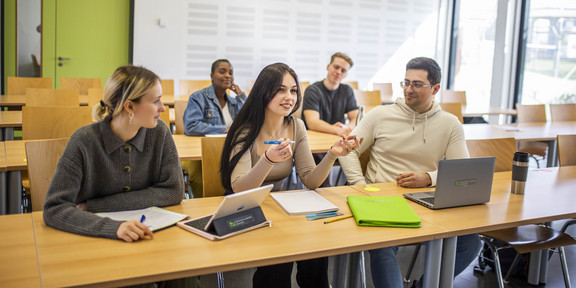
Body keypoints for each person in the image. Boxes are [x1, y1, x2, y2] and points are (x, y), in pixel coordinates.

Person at [338, 57, 481, 288]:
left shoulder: (450, 123)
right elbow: (346, 151)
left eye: (416, 84)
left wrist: (429, 178)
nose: (408, 89)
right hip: (381, 200)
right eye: (405, 82)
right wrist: (359, 184)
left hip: (426, 200)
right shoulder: (379, 115)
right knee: (383, 246)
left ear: (435, 89)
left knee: (471, 243)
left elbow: (460, 172)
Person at [220, 63, 360, 288]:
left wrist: (332, 155)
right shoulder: (244, 129)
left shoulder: (297, 125)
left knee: (315, 250)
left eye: (293, 90)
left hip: (279, 208)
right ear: (263, 92)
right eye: (280, 90)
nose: (289, 97)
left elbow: (310, 179)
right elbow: (239, 188)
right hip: (244, 208)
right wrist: (268, 159)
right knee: (278, 260)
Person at [43, 65, 184, 242]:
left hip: (145, 237)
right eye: (156, 101)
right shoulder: (83, 140)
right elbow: (54, 208)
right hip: (92, 241)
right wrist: (113, 227)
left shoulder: (160, 132)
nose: (163, 108)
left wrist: (95, 205)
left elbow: (174, 191)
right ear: (130, 106)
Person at [182, 59, 246, 198]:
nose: (228, 75)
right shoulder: (198, 97)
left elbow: (248, 120)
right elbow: (191, 126)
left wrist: (241, 95)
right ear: (212, 76)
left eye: (231, 72)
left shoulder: (234, 102)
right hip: (199, 154)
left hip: (227, 151)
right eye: (222, 72)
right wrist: (223, 129)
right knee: (201, 179)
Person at [302, 52, 359, 137]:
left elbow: (356, 118)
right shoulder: (312, 90)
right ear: (328, 67)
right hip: (316, 137)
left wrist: (347, 127)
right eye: (336, 67)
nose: (339, 72)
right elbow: (312, 122)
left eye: (343, 70)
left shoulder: (347, 90)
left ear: (346, 74)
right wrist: (336, 130)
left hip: (338, 138)